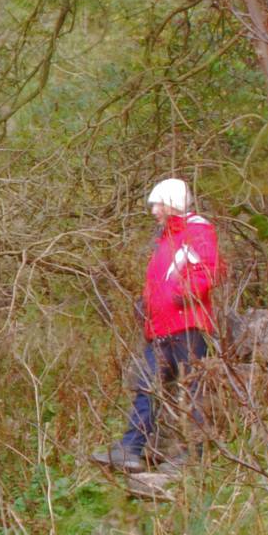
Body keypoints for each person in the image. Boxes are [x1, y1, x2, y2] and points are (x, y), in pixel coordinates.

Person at [91, 178, 221, 473]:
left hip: (188, 326)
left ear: (172, 203)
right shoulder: (166, 239)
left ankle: (193, 458)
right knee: (146, 385)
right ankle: (131, 449)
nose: (154, 211)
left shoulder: (197, 230)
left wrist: (182, 295)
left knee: (192, 391)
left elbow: (206, 271)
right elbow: (160, 281)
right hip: (160, 329)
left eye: (158, 204)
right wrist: (145, 304)